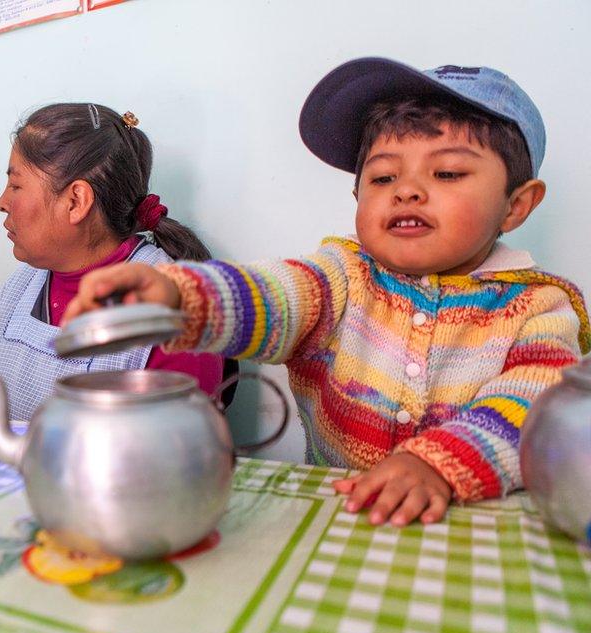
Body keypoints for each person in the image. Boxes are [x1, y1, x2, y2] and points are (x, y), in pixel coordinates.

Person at [62, 59, 591, 527]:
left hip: (478, 536)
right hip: (342, 523)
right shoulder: (342, 276)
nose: (406, 190)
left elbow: (534, 406)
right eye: (383, 178)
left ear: (516, 206)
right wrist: (180, 296)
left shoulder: (540, 308)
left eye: (448, 171)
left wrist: (438, 462)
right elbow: (276, 295)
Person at [0, 103, 225, 420]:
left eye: (16, 185)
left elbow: (177, 455)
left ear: (76, 202)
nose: (2, 202)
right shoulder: (17, 290)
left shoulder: (174, 312)